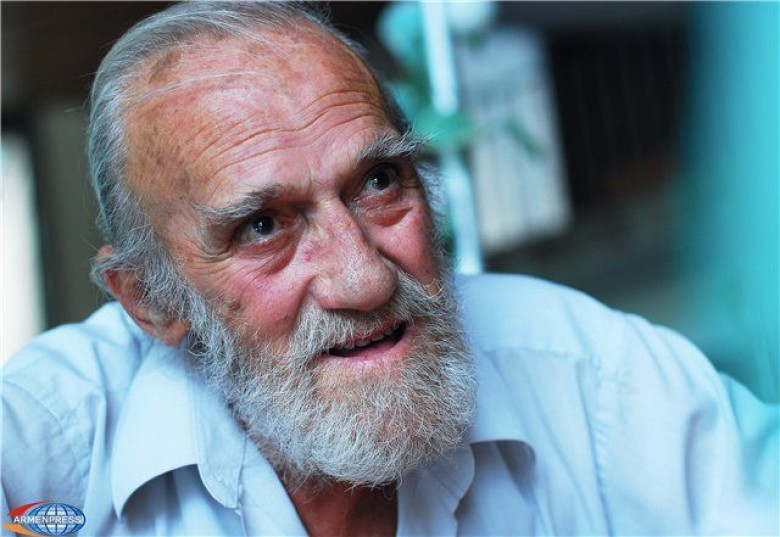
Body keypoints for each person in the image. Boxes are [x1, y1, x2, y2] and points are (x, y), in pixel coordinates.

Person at [2, 3, 777, 536]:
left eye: (378, 182)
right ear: (150, 300)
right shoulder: (51, 447)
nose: (365, 279)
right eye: (263, 226)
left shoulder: (589, 377)